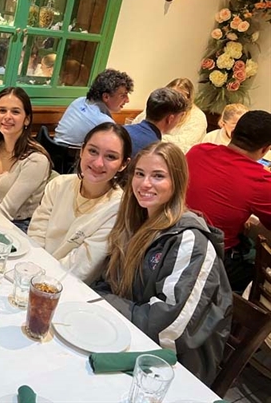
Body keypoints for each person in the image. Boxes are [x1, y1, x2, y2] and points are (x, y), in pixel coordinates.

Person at [96, 142, 232, 385]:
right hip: (130, 334)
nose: (145, 184)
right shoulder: (135, 222)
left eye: (158, 176)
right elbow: (110, 280)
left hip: (174, 367)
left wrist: (104, 303)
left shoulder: (190, 240)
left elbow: (169, 327)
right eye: (139, 174)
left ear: (177, 182)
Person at [28, 123, 130, 283]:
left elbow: (81, 267)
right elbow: (36, 235)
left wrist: (40, 279)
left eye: (111, 156)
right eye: (93, 151)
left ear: (123, 164)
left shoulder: (118, 209)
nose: (98, 163)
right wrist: (33, 271)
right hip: (34, 271)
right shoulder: (59, 184)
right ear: (82, 150)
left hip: (69, 286)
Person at [186, 110, 271, 292]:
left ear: (231, 134)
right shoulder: (259, 181)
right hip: (214, 259)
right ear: (265, 149)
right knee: (257, 265)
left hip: (174, 240)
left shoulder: (197, 151)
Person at [0, 88, 51, 232]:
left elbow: (7, 210)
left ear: (27, 119)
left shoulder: (36, 160)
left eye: (15, 112)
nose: (7, 117)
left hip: (16, 226)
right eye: (2, 110)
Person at [54, 69, 134, 147]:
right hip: (72, 158)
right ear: (106, 97)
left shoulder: (79, 101)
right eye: (123, 95)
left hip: (53, 150)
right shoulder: (104, 122)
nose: (127, 100)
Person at [133, 78, 207, 153]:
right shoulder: (160, 104)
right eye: (171, 95)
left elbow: (184, 145)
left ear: (188, 99)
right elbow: (137, 124)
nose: (173, 100)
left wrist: (150, 137)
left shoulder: (197, 117)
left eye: (179, 97)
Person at [124, 88, 188, 158]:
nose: (180, 120)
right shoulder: (153, 150)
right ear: (170, 119)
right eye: (181, 116)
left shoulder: (121, 130)